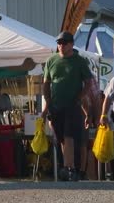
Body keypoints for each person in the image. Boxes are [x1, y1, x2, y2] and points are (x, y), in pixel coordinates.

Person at [41, 31, 92, 181]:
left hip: (72, 104)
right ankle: (68, 167)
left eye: (64, 43)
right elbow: (46, 84)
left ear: (71, 44)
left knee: (69, 136)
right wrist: (47, 104)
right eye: (59, 43)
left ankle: (69, 168)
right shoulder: (51, 61)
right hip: (56, 105)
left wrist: (80, 97)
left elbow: (88, 83)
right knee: (61, 137)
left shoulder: (79, 61)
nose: (61, 46)